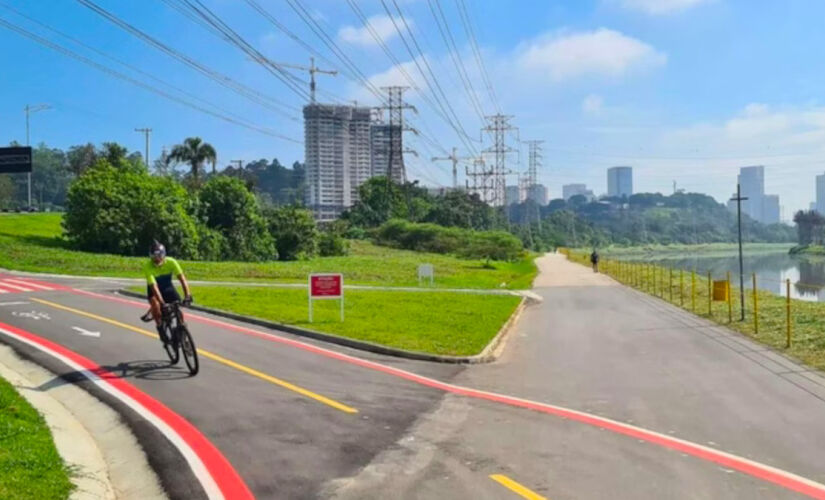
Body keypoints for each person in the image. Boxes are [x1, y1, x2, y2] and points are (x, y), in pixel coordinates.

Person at [140, 241, 192, 342]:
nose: (157, 259)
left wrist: (187, 295)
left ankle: (182, 332)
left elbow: (182, 279)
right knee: (156, 305)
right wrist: (162, 303)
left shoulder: (171, 262)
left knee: (178, 310)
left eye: (159, 255)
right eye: (153, 256)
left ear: (163, 254)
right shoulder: (147, 266)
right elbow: (154, 287)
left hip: (168, 288)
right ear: (150, 256)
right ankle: (160, 327)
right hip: (155, 291)